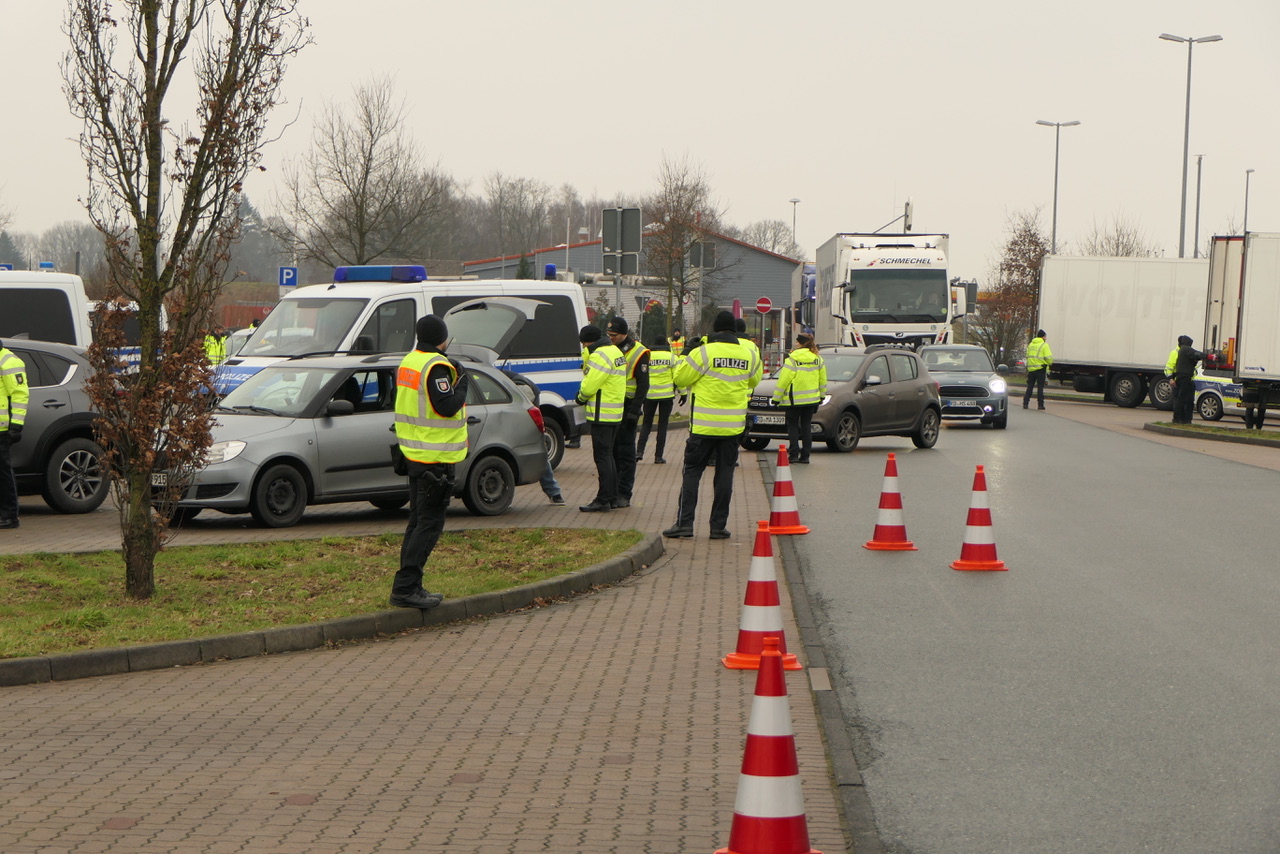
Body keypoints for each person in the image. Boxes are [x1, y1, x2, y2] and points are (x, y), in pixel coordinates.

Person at [390, 314, 470, 609]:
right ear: (442, 338)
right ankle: (406, 589)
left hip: (414, 453)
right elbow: (446, 405)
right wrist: (462, 383)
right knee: (429, 526)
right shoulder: (436, 366)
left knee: (417, 524)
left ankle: (410, 586)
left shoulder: (410, 361)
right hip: (434, 459)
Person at [663, 311, 762, 541]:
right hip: (732, 428)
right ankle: (718, 527)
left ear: (715, 330)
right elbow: (754, 381)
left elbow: (681, 379)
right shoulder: (748, 354)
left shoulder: (703, 353)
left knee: (692, 474)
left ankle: (684, 525)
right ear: (735, 332)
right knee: (725, 474)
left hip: (703, 427)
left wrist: (687, 353)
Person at [576, 325, 626, 512]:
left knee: (602, 457)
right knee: (610, 456)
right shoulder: (614, 351)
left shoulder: (599, 355)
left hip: (601, 413)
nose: (583, 346)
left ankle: (603, 499)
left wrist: (580, 397)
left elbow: (590, 385)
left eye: (584, 343)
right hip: (614, 412)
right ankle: (611, 497)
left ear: (590, 341)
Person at [503, 369, 565, 504]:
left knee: (537, 453)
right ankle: (554, 493)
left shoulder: (520, 388)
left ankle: (554, 492)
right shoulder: (500, 376)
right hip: (522, 405)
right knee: (538, 453)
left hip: (521, 407)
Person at [606, 317, 649, 508]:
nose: (610, 338)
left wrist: (634, 411)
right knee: (613, 451)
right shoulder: (610, 349)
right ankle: (612, 492)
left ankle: (624, 493)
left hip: (629, 406)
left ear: (624, 334)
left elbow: (643, 384)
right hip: (613, 405)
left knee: (626, 453)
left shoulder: (639, 352)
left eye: (614, 335)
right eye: (609, 335)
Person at [772, 332, 826, 463]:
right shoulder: (818, 358)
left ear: (799, 343)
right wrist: (821, 396)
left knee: (793, 427)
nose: (795, 343)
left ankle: (794, 454)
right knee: (806, 426)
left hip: (794, 401)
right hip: (812, 400)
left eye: (797, 341)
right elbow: (822, 379)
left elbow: (784, 380)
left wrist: (776, 398)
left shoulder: (792, 359)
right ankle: (806, 456)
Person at [0, 341, 30, 530]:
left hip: (1, 429)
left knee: (2, 473)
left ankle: (10, 516)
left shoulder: (8, 361)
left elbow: (20, 394)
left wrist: (16, 426)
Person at [637, 335, 675, 464]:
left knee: (646, 423)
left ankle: (639, 452)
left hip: (649, 394)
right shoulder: (671, 357)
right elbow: (677, 376)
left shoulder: (648, 356)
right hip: (666, 395)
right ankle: (658, 456)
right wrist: (683, 393)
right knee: (662, 425)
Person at [1171, 334, 1205, 425]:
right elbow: (1170, 367)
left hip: (1186, 378)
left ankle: (1185, 420)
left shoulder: (1181, 350)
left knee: (1187, 400)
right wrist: (1171, 378)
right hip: (1182, 378)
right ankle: (1179, 420)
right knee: (1181, 400)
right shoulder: (1181, 351)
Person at [1023, 329, 1053, 410]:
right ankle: (1040, 405)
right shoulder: (1044, 345)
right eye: (1045, 336)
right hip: (1040, 368)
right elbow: (1048, 358)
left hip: (1031, 369)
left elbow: (1027, 356)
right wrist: (1050, 363)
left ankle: (1025, 403)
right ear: (1043, 337)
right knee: (1040, 387)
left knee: (1030, 387)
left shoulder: (1031, 344)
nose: (1046, 338)